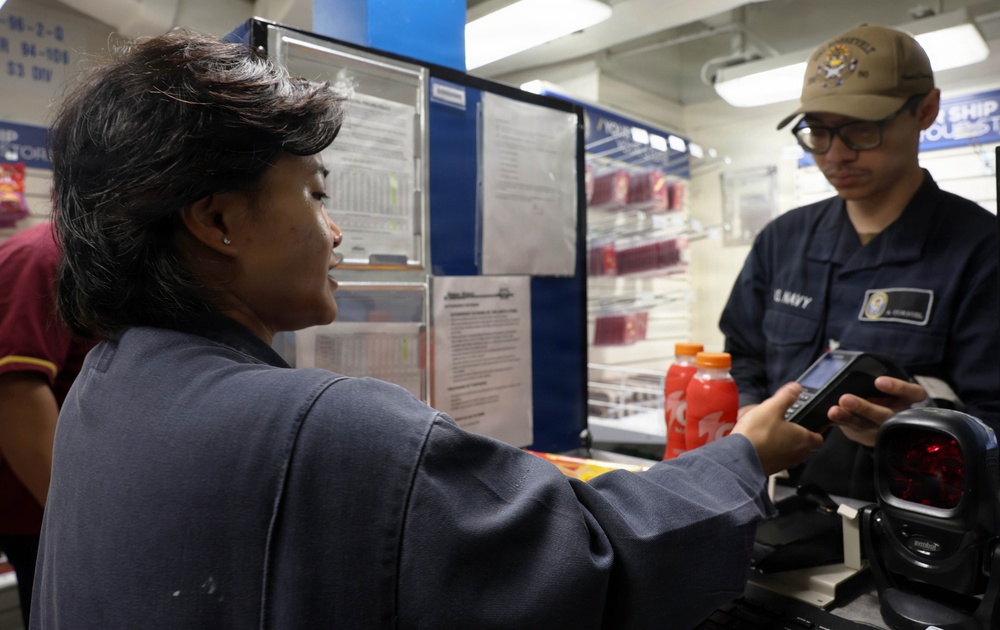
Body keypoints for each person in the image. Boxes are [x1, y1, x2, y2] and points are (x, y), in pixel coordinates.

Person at [31, 30, 821, 629]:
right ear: (216, 219)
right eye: (312, 193)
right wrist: (743, 455)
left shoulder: (106, 383)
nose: (335, 233)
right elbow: (605, 558)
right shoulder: (336, 431)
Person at [719, 24, 999, 501]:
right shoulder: (781, 241)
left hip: (910, 525)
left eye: (861, 130)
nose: (836, 155)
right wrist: (750, 411)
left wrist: (918, 432)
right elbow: (743, 356)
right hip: (771, 513)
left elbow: (993, 418)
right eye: (819, 131)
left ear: (926, 110)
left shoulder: (981, 252)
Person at [0, 221, 95, 628]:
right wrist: (79, 522)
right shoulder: (47, 257)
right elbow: (16, 393)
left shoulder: (84, 260)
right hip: (37, 510)